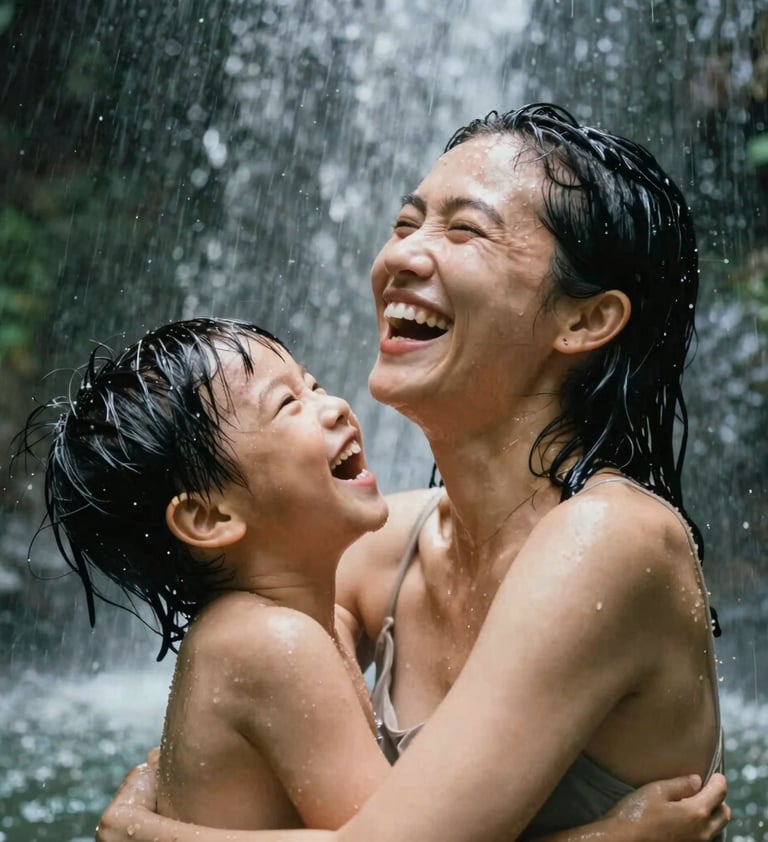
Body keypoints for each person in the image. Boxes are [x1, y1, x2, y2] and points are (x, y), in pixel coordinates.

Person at [96, 103, 730, 842]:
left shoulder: (611, 540)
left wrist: (145, 834)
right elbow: (245, 712)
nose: (401, 257)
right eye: (405, 225)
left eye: (464, 230)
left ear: (584, 321)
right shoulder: (378, 548)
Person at [19, 317, 392, 829]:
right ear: (210, 518)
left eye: (313, 384)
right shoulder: (273, 642)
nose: (334, 407)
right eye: (287, 405)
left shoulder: (261, 629)